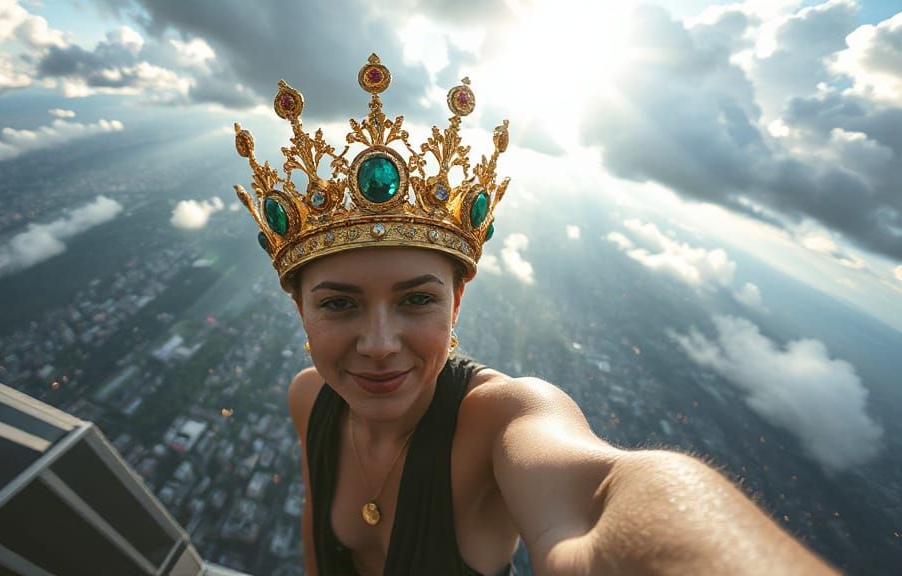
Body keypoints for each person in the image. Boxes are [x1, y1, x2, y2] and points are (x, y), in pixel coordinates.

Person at [233, 54, 838, 575]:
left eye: (418, 299)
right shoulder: (308, 398)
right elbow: (319, 533)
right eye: (338, 304)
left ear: (457, 301)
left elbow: (602, 495)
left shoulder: (501, 417)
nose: (381, 343)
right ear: (299, 307)